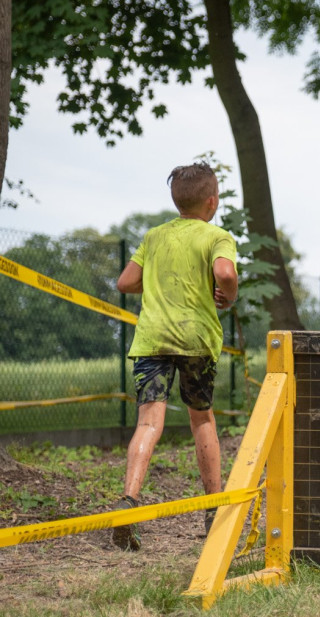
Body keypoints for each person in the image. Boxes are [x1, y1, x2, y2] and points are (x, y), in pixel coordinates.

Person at [111, 163, 238, 550]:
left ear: (176, 200)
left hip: (152, 341)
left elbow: (125, 282)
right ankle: (213, 509)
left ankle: (129, 500)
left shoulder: (154, 236)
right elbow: (226, 274)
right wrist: (226, 295)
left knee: (150, 421)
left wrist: (157, 282)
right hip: (196, 340)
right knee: (202, 420)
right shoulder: (217, 236)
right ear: (212, 202)